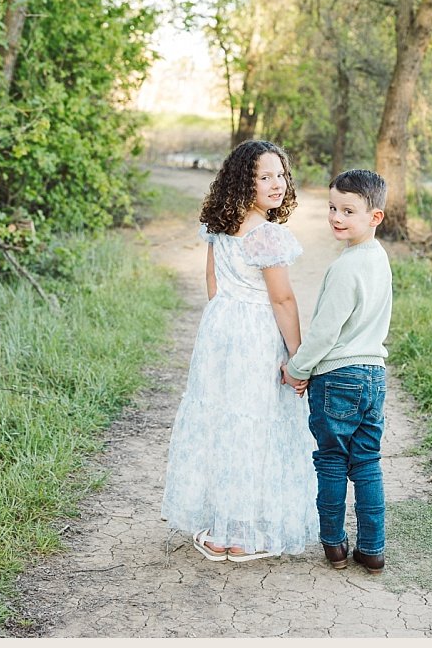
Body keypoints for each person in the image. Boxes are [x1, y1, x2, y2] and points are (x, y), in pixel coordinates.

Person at [160, 139, 318, 562]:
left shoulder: (220, 227)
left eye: (280, 174)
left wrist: (222, 326)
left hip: (221, 331)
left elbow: (212, 285)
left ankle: (220, 528)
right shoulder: (268, 237)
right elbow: (282, 300)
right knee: (256, 423)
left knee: (222, 420)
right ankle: (240, 535)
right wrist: (298, 356)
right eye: (264, 177)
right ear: (242, 183)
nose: (277, 183)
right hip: (255, 336)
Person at [283, 168, 393, 573]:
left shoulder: (346, 268)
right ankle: (373, 549)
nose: (336, 217)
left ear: (375, 217)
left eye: (348, 210)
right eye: (332, 208)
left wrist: (297, 369)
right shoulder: (378, 260)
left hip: (338, 377)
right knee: (366, 462)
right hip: (373, 375)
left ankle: (333, 544)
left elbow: (326, 332)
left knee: (331, 460)